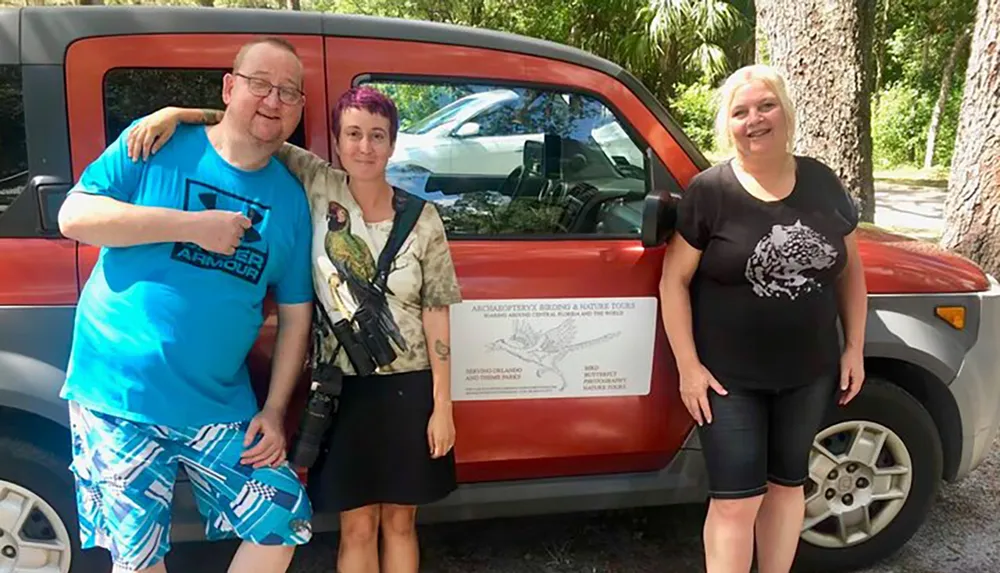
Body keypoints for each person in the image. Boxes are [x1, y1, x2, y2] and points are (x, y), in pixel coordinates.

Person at [126, 85, 463, 573]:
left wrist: (442, 406)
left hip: (410, 391)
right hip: (342, 390)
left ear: (392, 144)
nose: (364, 147)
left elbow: (437, 311)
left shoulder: (424, 218)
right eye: (352, 134)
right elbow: (253, 123)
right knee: (357, 526)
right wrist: (176, 112)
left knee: (400, 524)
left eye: (376, 136)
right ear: (337, 141)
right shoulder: (316, 180)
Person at [57, 37, 315, 573]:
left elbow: (295, 316)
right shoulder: (159, 144)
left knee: (282, 518)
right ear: (229, 87)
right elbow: (74, 215)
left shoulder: (291, 199)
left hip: (220, 405)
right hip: (119, 394)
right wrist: (190, 226)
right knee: (139, 559)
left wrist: (272, 411)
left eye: (288, 92)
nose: (273, 100)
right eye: (260, 84)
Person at [658, 64, 868, 573]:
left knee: (788, 486)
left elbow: (851, 274)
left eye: (765, 106)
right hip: (728, 381)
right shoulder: (710, 192)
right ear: (727, 125)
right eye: (740, 111)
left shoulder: (822, 182)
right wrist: (689, 366)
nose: (754, 119)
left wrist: (854, 347)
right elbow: (673, 282)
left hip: (808, 373)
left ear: (786, 113)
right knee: (735, 501)